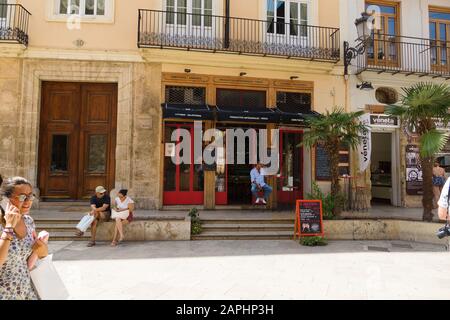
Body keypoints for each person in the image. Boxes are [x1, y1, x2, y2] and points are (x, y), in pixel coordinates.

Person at [0, 177, 49, 300]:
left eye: (30, 196)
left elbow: (41, 255)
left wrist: (42, 246)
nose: (27, 201)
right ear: (7, 200)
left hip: (26, 291)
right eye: (22, 197)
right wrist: (9, 227)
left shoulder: (28, 221)